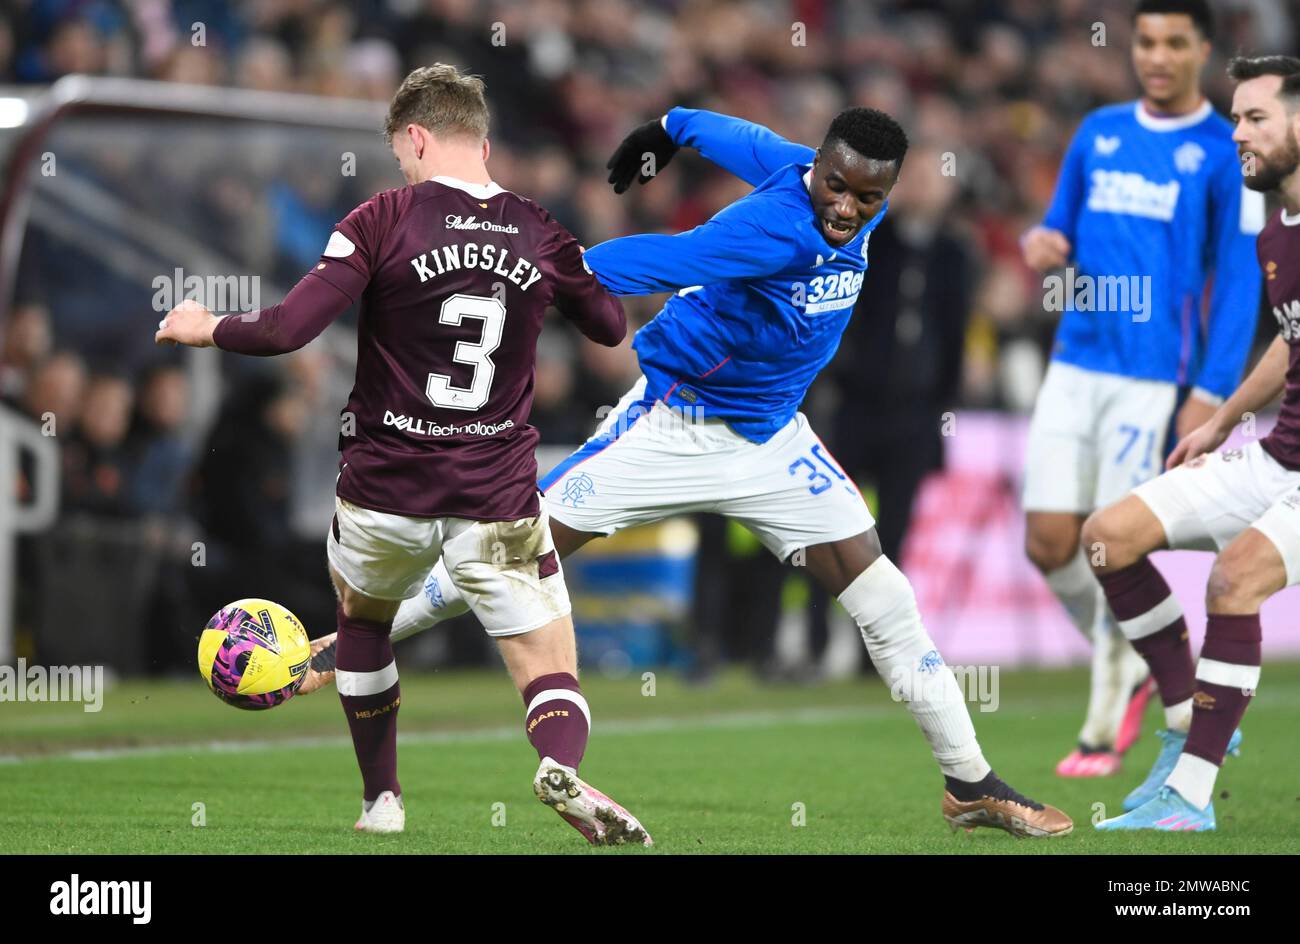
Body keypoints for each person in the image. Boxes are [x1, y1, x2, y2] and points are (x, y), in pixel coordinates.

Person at [308, 103, 1073, 837]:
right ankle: (355, 638)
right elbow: (667, 262)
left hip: (773, 443)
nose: (845, 206)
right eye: (836, 186)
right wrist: (539, 275)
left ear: (886, 190)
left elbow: (727, 132)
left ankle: (969, 783)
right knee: (506, 555)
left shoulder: (803, 169)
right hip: (673, 424)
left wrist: (669, 128)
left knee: (889, 600)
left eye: (866, 196)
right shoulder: (777, 229)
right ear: (820, 171)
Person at [156, 63, 650, 846]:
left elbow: (289, 329)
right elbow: (609, 327)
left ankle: (381, 800)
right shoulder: (538, 227)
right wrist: (567, 271)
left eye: (400, 153)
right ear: (482, 142)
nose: (401, 166)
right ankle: (558, 763)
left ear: (415, 136)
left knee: (363, 624)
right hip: (495, 491)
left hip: (382, 487)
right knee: (544, 657)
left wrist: (203, 325)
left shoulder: (380, 218)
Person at [1018, 0, 1263, 777]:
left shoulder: (1224, 150)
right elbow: (1055, 231)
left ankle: (1100, 727)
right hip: (1075, 358)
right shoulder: (1099, 132)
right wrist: (1040, 244)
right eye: (1146, 42)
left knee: (1106, 541)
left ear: (1203, 50)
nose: (1155, 57)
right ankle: (1139, 653)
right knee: (1048, 543)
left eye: (1173, 44)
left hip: (1154, 376)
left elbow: (1235, 283)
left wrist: (1213, 391)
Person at [1087, 55, 1300, 832]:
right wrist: (1218, 420)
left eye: (1255, 119)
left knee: (1233, 580)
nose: (1236, 135)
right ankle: (1190, 722)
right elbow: (1290, 339)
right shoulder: (1276, 228)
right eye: (1235, 118)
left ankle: (1191, 798)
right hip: (1280, 454)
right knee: (1108, 538)